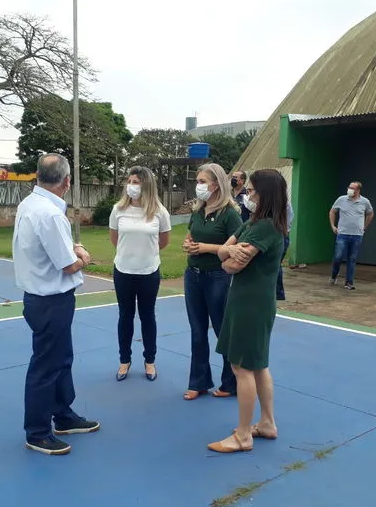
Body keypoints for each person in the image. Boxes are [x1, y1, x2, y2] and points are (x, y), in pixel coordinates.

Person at [12, 153, 100, 455]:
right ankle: (37, 432)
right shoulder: (50, 214)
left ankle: (63, 415)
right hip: (51, 299)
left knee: (61, 359)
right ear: (67, 181)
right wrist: (83, 256)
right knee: (47, 365)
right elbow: (69, 265)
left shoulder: (30, 205)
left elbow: (55, 249)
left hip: (41, 298)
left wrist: (73, 249)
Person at [207, 169, 287, 453]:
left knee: (241, 367)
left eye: (251, 190)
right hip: (246, 301)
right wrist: (227, 253)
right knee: (258, 365)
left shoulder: (266, 227)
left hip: (251, 304)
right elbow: (222, 253)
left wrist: (228, 257)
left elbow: (232, 265)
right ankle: (266, 423)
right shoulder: (251, 223)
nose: (247, 194)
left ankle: (243, 435)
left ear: (265, 194)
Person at [181, 163, 242, 400]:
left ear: (216, 184)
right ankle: (198, 382)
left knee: (221, 330)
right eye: (198, 181)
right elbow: (189, 236)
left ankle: (231, 381)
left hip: (217, 277)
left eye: (202, 181)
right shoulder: (198, 211)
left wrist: (206, 247)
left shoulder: (230, 214)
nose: (198, 186)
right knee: (197, 331)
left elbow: (237, 247)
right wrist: (189, 245)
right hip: (193, 275)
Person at [109, 166, 171, 381]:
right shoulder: (118, 209)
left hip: (149, 271)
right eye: (129, 181)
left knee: (147, 316)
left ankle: (150, 361)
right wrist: (130, 253)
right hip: (123, 271)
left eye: (136, 182)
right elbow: (115, 238)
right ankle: (124, 360)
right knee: (125, 316)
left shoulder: (160, 212)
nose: (131, 186)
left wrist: (145, 254)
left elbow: (163, 241)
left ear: (146, 185)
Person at [328, 181, 374, 290]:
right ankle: (334, 274)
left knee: (352, 258)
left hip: (357, 235)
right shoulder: (341, 199)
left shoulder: (364, 202)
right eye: (349, 187)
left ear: (358, 190)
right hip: (342, 233)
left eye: (353, 188)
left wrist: (365, 226)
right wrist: (333, 226)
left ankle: (349, 282)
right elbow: (332, 212)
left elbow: (370, 213)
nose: (350, 189)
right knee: (338, 256)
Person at [276, 201, 294, 300]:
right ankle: (278, 293)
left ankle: (278, 293)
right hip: (281, 235)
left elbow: (287, 222)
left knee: (276, 263)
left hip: (281, 235)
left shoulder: (284, 203)